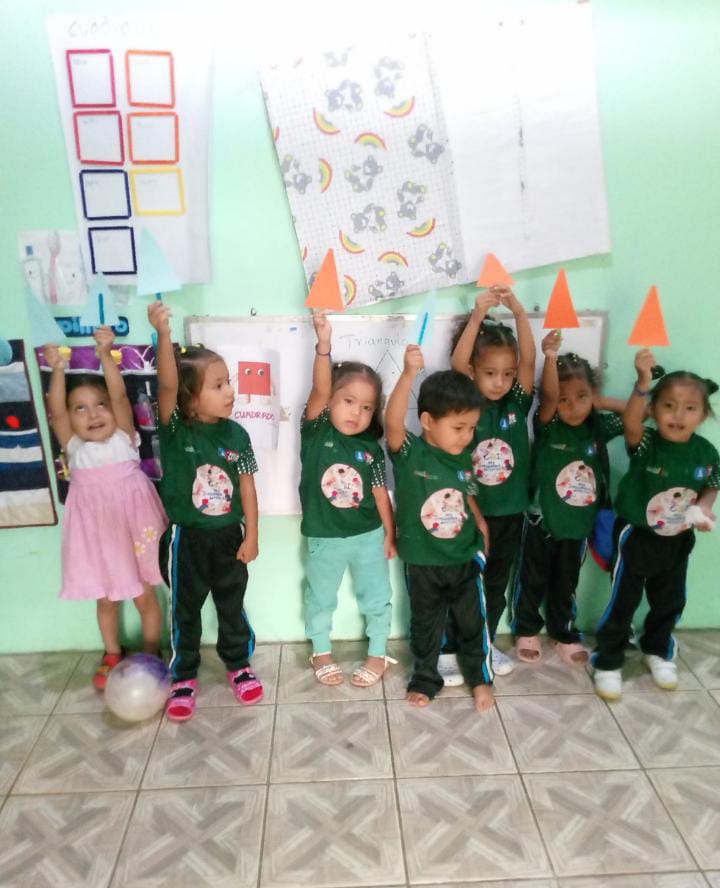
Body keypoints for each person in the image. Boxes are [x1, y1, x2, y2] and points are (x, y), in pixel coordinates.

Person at [148, 302, 263, 721]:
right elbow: (166, 386)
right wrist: (164, 334)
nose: (230, 391)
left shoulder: (238, 435)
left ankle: (239, 664)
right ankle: (183, 675)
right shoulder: (176, 429)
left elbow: (247, 486)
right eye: (217, 385)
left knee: (232, 605)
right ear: (189, 398)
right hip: (187, 539)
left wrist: (252, 536)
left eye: (228, 382)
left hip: (230, 536)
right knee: (186, 610)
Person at [592, 349, 719, 700]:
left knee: (670, 599)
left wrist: (704, 508)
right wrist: (642, 383)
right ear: (654, 410)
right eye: (669, 406)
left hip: (678, 539)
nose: (678, 414)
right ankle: (608, 661)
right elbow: (632, 422)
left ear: (703, 414)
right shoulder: (646, 442)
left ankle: (658, 650)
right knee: (623, 601)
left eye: (690, 408)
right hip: (636, 535)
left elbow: (713, 482)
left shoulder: (706, 452)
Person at [44, 327, 166, 690]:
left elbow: (120, 395)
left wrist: (105, 355)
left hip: (134, 527)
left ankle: (152, 652)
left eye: (100, 405)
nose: (93, 414)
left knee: (144, 593)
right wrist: (58, 370)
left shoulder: (124, 438)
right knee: (105, 598)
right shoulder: (75, 448)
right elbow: (55, 411)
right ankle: (111, 653)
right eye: (79, 408)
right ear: (70, 418)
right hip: (98, 535)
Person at [386, 344, 494, 712]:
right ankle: (425, 679)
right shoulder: (410, 453)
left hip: (463, 556)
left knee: (473, 621)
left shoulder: (463, 457)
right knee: (425, 625)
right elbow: (393, 424)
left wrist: (480, 522)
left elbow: (467, 493)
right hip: (422, 561)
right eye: (458, 427)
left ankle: (480, 678)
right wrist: (407, 375)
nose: (467, 436)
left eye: (471, 428)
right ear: (429, 421)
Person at [512, 331, 626, 665]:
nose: (573, 406)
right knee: (532, 578)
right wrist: (550, 357)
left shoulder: (597, 429)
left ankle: (563, 631)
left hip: (578, 526)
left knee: (566, 581)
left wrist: (600, 402)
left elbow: (640, 413)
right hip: (541, 521)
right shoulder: (547, 425)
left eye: (582, 396)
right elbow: (548, 397)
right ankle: (526, 629)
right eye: (564, 399)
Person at [444, 284, 537, 679]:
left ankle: (485, 641)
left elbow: (530, 360)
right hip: (470, 514)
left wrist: (519, 312)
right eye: (490, 373)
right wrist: (479, 314)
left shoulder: (517, 403)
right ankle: (451, 648)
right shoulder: (466, 403)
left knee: (496, 582)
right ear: (473, 373)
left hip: (510, 514)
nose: (500, 382)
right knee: (463, 581)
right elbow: (457, 362)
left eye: (507, 374)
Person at [300, 311, 396, 687]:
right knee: (321, 596)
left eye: (367, 406)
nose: (357, 412)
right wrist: (324, 345)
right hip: (325, 537)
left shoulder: (370, 449)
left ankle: (378, 652)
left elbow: (380, 493)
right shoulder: (317, 432)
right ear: (330, 402)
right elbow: (320, 389)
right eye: (349, 401)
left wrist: (389, 534)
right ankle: (321, 650)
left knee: (377, 596)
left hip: (368, 536)